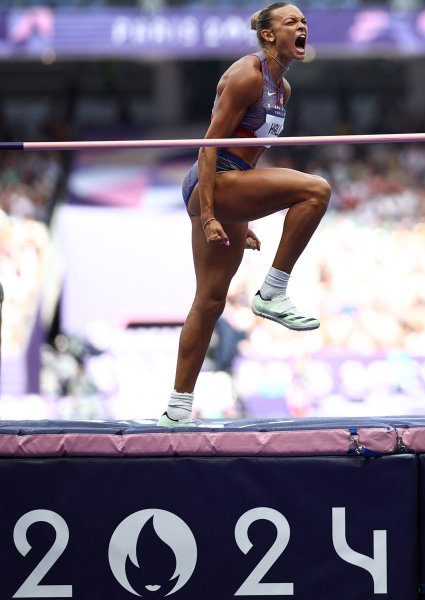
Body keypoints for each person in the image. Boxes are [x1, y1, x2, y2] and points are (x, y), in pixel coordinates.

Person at [158, 2, 331, 427]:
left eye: (304, 21)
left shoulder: (283, 89)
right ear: (269, 35)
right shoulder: (247, 75)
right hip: (212, 181)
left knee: (210, 301)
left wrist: (244, 219)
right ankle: (272, 292)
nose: (302, 26)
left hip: (233, 185)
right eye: (292, 22)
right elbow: (210, 147)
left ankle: (176, 411)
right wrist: (210, 215)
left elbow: (248, 154)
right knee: (316, 190)